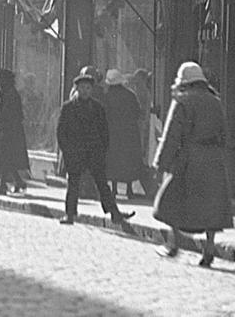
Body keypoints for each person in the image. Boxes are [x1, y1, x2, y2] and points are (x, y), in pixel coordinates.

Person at [153, 61, 233, 267]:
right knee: (212, 206)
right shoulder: (216, 102)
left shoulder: (182, 101)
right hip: (213, 160)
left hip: (189, 159)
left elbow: (172, 135)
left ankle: (173, 243)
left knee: (171, 199)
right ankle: (208, 248)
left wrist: (160, 163)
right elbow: (224, 134)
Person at [57, 69, 135, 226]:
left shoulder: (97, 108)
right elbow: (61, 132)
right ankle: (70, 214)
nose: (85, 91)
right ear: (76, 89)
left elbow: (104, 132)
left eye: (88, 88)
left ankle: (115, 214)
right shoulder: (68, 108)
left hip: (93, 153)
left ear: (91, 90)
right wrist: (67, 151)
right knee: (73, 184)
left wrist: (102, 150)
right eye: (82, 88)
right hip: (75, 153)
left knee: (102, 184)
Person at [0, 68, 29, 196]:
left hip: (10, 132)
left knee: (5, 159)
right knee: (7, 159)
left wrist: (5, 127)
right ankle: (18, 182)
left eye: (0, 80)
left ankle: (2, 186)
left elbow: (15, 115)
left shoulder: (11, 94)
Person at [103, 69, 144, 199]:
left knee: (114, 160)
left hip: (113, 132)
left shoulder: (107, 96)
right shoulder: (130, 95)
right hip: (129, 133)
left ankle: (114, 188)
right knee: (128, 160)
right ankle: (129, 189)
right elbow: (138, 112)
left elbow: (104, 114)